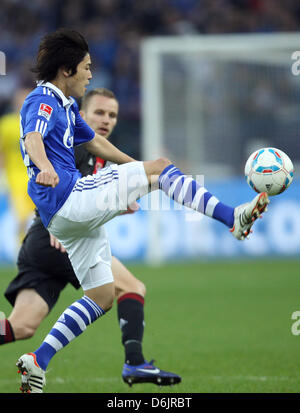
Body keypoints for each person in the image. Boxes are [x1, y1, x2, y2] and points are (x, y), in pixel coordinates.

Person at [15, 28, 269, 393]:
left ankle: (38, 361)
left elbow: (97, 142)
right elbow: (33, 137)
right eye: (86, 67)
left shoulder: (68, 107)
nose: (90, 74)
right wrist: (44, 166)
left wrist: (142, 170)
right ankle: (234, 218)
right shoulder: (44, 100)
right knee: (163, 167)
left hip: (66, 219)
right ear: (66, 69)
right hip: (69, 197)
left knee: (102, 295)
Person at [2, 87, 181, 388]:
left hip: (39, 246)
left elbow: (93, 198)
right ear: (81, 116)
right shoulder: (74, 146)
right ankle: (135, 363)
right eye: (99, 112)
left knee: (20, 326)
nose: (106, 120)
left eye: (112, 115)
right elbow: (49, 188)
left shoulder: (100, 157)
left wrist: (124, 201)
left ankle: (133, 364)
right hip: (54, 238)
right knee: (130, 287)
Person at [0, 87, 35, 243]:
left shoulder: (36, 125)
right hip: (15, 179)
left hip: (36, 178)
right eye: (19, 100)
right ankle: (21, 250)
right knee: (21, 217)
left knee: (36, 217)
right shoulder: (6, 124)